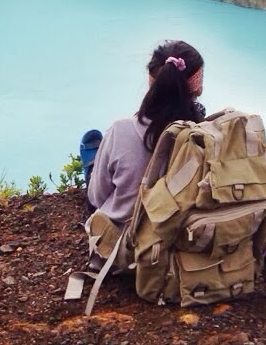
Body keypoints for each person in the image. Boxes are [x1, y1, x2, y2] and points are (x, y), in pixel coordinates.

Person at [87, 40, 205, 231]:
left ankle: (91, 167)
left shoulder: (120, 131)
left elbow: (97, 197)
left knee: (96, 179)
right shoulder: (205, 136)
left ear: (153, 82)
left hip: (125, 240)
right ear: (197, 88)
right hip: (182, 239)